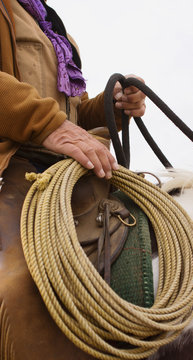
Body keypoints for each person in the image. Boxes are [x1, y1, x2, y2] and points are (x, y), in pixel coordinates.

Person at [0, 0, 146, 359]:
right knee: (15, 288)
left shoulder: (55, 27)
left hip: (66, 172)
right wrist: (45, 124)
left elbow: (73, 111)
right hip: (15, 167)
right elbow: (52, 120)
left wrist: (111, 107)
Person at [0, 0, 146, 180]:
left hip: (65, 168)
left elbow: (75, 119)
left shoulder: (57, 31)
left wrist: (113, 104)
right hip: (12, 164)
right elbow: (55, 124)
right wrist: (46, 123)